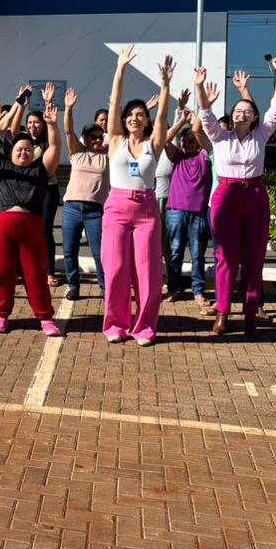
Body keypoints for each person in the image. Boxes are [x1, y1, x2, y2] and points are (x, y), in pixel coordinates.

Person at [194, 55, 276, 336]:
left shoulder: (262, 134)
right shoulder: (220, 137)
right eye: (237, 110)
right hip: (226, 197)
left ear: (254, 117)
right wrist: (200, 87)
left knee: (254, 258)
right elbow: (205, 115)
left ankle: (250, 314)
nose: (241, 113)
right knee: (227, 257)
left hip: (255, 197)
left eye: (247, 111)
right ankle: (223, 312)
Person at [101, 45, 173, 346]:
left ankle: (144, 327)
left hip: (146, 210)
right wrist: (120, 68)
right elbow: (115, 102)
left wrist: (165, 85)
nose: (135, 118)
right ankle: (116, 324)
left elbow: (163, 116)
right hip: (116, 208)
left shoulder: (153, 144)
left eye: (141, 115)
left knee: (148, 271)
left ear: (146, 120)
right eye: (131, 114)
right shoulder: (115, 140)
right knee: (116, 268)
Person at [0, 90, 63, 335]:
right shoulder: (0, 165)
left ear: (33, 152)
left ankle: (45, 318)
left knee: (35, 274)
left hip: (31, 228)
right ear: (11, 151)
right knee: (0, 273)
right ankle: (2, 315)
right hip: (1, 227)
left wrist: (52, 125)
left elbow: (55, 146)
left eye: (28, 149)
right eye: (19, 149)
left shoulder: (41, 169)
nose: (23, 152)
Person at [60, 87, 109, 299]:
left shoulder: (107, 155)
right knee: (70, 250)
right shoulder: (77, 152)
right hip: (71, 208)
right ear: (86, 139)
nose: (98, 141)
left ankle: (105, 288)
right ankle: (74, 286)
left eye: (100, 137)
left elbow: (119, 133)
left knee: (99, 253)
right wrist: (69, 108)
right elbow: (68, 130)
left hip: (95, 211)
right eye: (93, 138)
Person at [163, 109, 213, 304]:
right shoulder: (178, 157)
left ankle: (198, 291)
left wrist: (197, 118)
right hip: (176, 211)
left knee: (197, 253)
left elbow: (205, 138)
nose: (187, 144)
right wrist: (182, 120)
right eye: (184, 141)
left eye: (191, 141)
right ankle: (173, 289)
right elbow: (165, 140)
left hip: (198, 213)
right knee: (175, 252)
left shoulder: (205, 157)